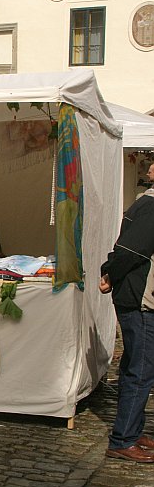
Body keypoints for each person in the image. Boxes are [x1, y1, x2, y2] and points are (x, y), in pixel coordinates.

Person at [99, 163, 154, 463]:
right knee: (141, 369)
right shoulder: (151, 206)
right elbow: (130, 252)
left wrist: (109, 271)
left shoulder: (146, 203)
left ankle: (132, 430)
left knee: (137, 365)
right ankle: (123, 439)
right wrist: (109, 273)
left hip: (137, 297)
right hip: (140, 300)